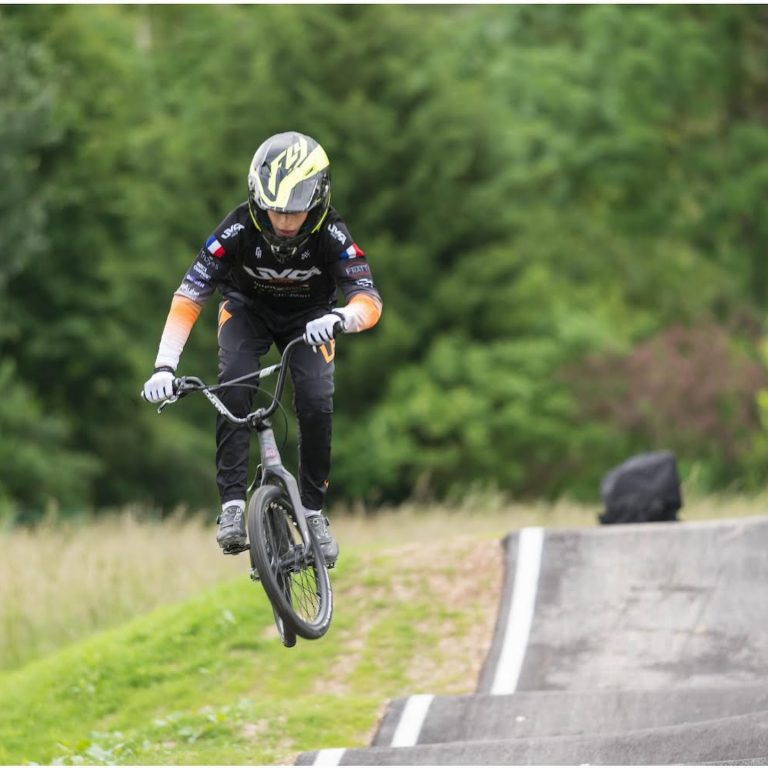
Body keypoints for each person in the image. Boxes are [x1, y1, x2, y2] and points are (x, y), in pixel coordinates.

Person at [142, 131, 382, 565]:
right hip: (246, 312)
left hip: (311, 320)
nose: (285, 222)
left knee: (315, 400)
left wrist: (341, 318)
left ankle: (312, 511)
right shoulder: (236, 228)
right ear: (258, 198)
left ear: (318, 199)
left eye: (296, 211)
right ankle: (232, 507)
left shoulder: (332, 232)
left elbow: (368, 299)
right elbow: (190, 295)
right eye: (275, 211)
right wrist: (164, 366)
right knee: (234, 387)